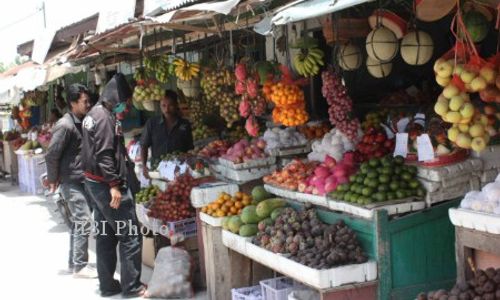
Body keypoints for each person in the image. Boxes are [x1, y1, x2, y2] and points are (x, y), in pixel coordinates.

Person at [81, 73, 144, 298]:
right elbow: (105, 155)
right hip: (106, 186)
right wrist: (115, 185)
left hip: (94, 184)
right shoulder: (105, 118)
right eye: (125, 102)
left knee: (107, 235)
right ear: (116, 99)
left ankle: (108, 286)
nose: (126, 107)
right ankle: (132, 287)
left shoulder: (94, 114)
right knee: (130, 235)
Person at [45, 83, 96, 278]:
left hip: (81, 179)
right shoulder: (65, 125)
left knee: (77, 222)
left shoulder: (82, 121)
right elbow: (52, 155)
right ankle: (80, 266)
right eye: (84, 101)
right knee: (83, 220)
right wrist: (53, 179)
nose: (88, 104)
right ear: (73, 103)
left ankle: (73, 263)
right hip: (71, 181)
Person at [141, 90, 194, 179]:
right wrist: (144, 165)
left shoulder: (184, 124)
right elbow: (144, 145)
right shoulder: (152, 123)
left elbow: (189, 149)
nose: (167, 109)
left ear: (176, 105)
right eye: (163, 106)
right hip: (158, 170)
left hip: (179, 171)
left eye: (170, 105)